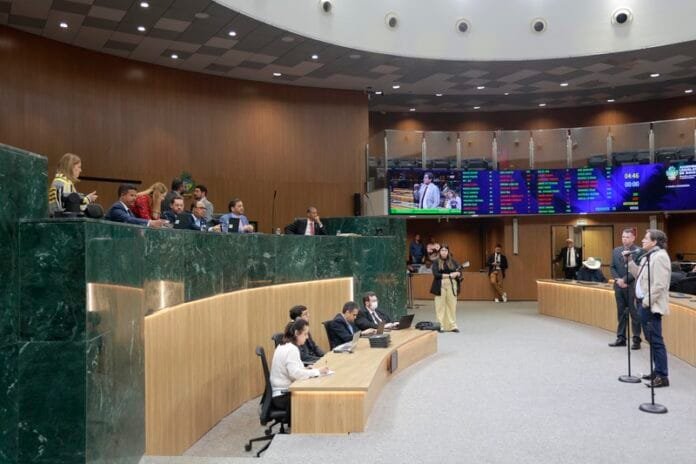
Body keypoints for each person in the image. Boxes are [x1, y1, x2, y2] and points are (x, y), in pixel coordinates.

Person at [627, 229, 672, 388]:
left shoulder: (660, 257)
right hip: (643, 303)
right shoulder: (649, 255)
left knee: (656, 340)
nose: (643, 241)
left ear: (654, 241)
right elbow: (638, 276)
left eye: (646, 238)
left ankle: (662, 376)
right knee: (650, 339)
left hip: (650, 305)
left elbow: (659, 285)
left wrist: (646, 302)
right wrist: (629, 261)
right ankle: (657, 371)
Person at [269, 319, 329, 420]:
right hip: (284, 396)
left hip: (280, 393)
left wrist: (305, 369)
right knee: (319, 398)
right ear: (297, 333)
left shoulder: (283, 345)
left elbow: (291, 369)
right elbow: (295, 374)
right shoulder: (292, 349)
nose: (307, 337)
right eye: (305, 334)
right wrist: (317, 371)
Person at [609, 228, 642, 349]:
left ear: (633, 238)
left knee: (634, 314)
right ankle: (621, 338)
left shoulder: (639, 251)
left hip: (632, 286)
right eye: (623, 237)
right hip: (619, 286)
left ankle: (636, 339)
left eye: (627, 237)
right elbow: (612, 267)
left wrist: (625, 280)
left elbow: (638, 270)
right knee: (621, 313)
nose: (624, 239)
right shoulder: (616, 250)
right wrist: (618, 280)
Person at [430, 245, 461, 332]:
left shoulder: (453, 261)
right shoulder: (436, 262)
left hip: (452, 285)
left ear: (448, 252)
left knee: (452, 305)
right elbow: (436, 274)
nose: (444, 252)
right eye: (442, 250)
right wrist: (449, 275)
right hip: (440, 285)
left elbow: (459, 272)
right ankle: (440, 325)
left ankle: (452, 326)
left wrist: (458, 273)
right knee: (440, 306)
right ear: (439, 252)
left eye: (445, 250)